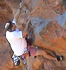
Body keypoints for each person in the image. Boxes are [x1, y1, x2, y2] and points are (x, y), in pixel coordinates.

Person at [5, 2, 28, 66]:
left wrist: (20, 8)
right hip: (21, 51)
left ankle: (18, 56)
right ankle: (20, 56)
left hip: (18, 47)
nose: (14, 23)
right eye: (13, 24)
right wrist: (28, 22)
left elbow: (15, 18)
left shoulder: (9, 30)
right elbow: (25, 33)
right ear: (12, 28)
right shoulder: (13, 35)